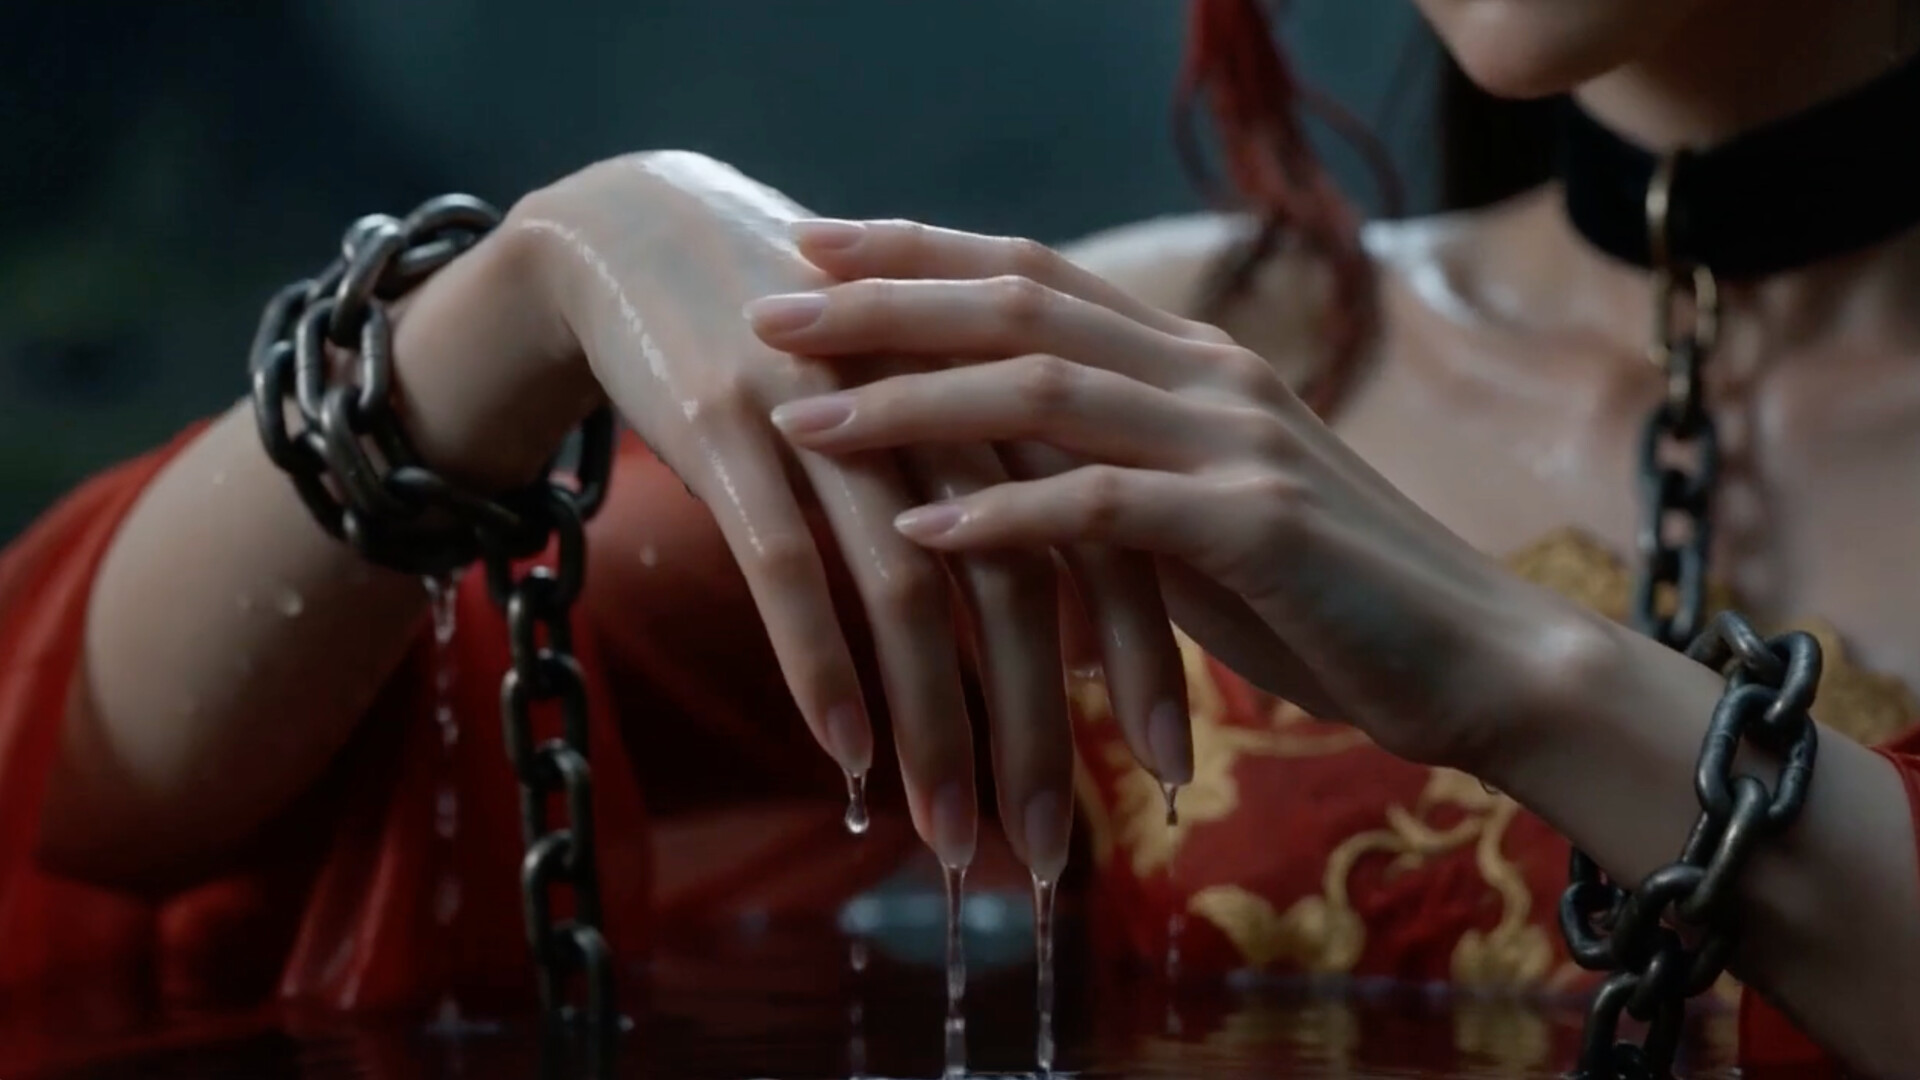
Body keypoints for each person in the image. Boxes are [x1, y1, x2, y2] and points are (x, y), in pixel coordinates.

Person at [2, 0, 1917, 1073]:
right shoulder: (1160, 362)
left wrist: (1523, 677)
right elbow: (112, 805)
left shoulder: (1198, 409)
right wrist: (511, 295)